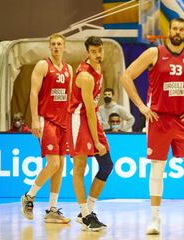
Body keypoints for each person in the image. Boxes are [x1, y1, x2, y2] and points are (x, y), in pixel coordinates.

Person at [121, 17, 184, 235]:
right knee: (157, 169)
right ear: (169, 31)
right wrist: (141, 106)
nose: (177, 32)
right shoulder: (154, 53)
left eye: (181, 29)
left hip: (182, 119)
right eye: (175, 28)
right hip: (158, 119)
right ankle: (155, 219)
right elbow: (126, 76)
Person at [21, 33, 72, 223]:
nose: (57, 47)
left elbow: (69, 96)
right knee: (53, 164)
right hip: (46, 120)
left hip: (63, 122)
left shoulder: (69, 69)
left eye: (60, 44)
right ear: (49, 47)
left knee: (60, 167)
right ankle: (29, 196)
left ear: (65, 47)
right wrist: (35, 119)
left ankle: (51, 210)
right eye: (53, 44)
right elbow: (33, 93)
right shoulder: (43, 65)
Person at [68, 36, 113, 231]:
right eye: (93, 52)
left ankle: (87, 210)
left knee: (106, 165)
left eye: (100, 50)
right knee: (80, 167)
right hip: (79, 119)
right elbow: (87, 110)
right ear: (88, 52)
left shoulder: (99, 68)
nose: (98, 54)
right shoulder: (85, 76)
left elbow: (94, 107)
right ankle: (85, 215)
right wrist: (97, 141)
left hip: (91, 118)